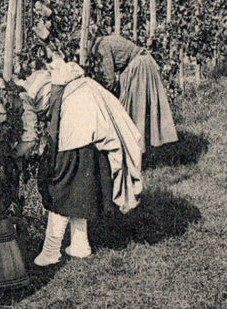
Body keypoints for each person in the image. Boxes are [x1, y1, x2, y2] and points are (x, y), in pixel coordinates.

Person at [18, 56, 143, 267]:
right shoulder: (69, 78)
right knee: (78, 190)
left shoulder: (44, 96)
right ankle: (79, 244)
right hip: (92, 130)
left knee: (63, 188)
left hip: (79, 129)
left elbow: (45, 138)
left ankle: (51, 251)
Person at [91, 32, 178, 152]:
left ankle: (134, 151)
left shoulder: (101, 47)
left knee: (132, 112)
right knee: (139, 111)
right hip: (143, 61)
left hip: (138, 68)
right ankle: (139, 149)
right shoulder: (105, 40)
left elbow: (109, 80)